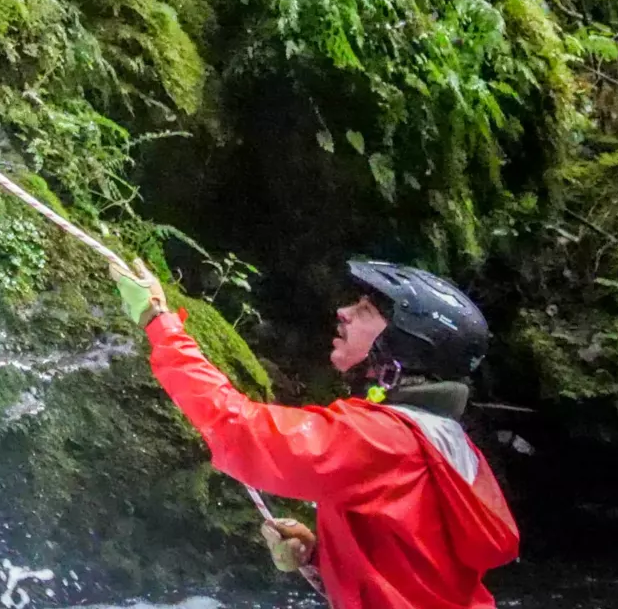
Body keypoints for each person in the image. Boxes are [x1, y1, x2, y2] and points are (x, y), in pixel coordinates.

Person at [118, 258, 519, 609]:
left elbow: (240, 429)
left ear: (404, 345)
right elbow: (414, 565)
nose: (344, 312)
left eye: (365, 310)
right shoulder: (442, 439)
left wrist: (159, 324)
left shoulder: (383, 438)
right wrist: (319, 557)